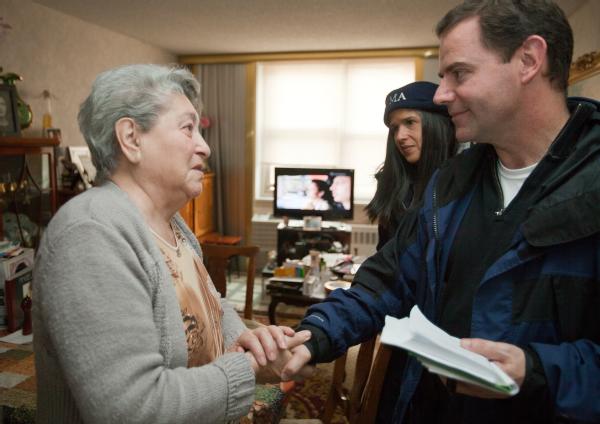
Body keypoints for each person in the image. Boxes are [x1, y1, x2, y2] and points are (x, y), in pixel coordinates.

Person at [283, 1, 600, 423]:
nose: (440, 94)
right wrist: (315, 335)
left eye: (460, 74)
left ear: (528, 60)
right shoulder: (449, 183)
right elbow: (387, 283)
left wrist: (537, 371)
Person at [33, 64, 313, 424]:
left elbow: (211, 304)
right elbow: (132, 409)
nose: (205, 147)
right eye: (188, 128)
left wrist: (251, 339)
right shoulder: (90, 233)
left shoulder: (171, 222)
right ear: (131, 138)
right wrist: (249, 367)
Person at [365, 81, 457, 250]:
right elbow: (386, 254)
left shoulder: (463, 181)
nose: (400, 136)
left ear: (437, 124)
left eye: (409, 122)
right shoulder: (391, 183)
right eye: (395, 128)